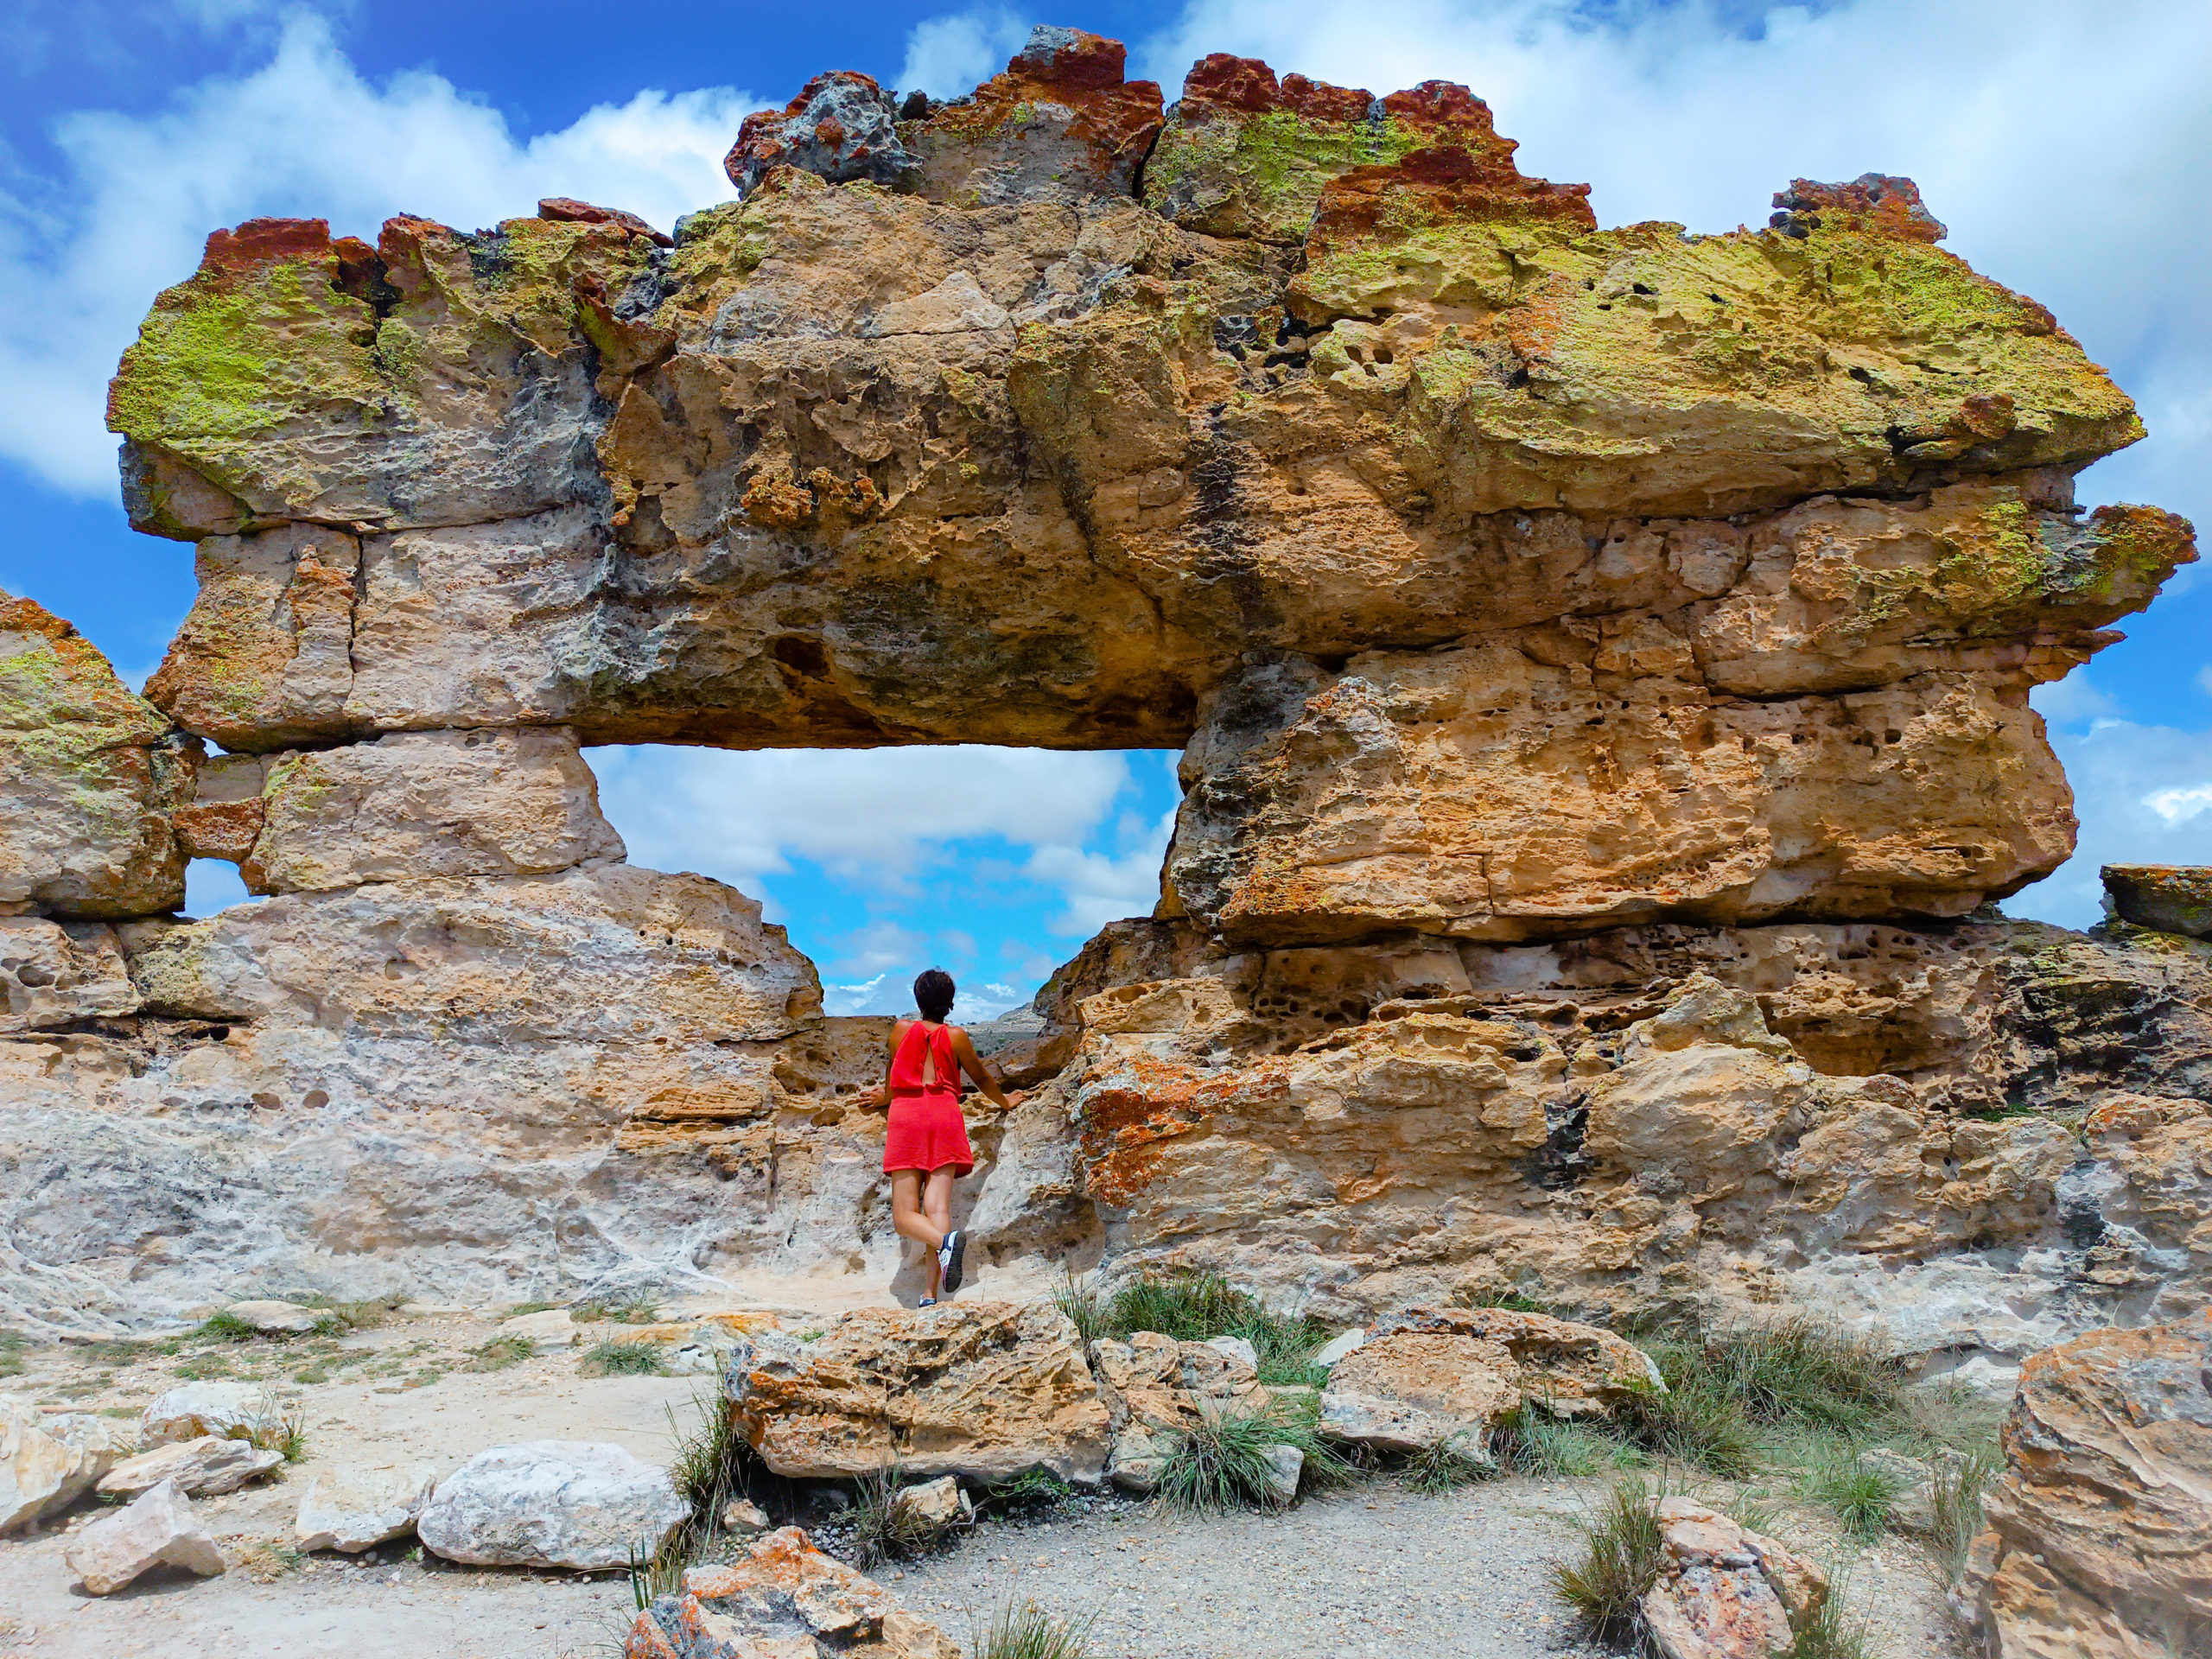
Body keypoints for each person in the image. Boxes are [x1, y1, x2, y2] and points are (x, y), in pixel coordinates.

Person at [873, 968, 1023, 1306]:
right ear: (950, 1004)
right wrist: (1006, 1101)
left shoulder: (899, 1030)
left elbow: (890, 1076)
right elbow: (981, 1078)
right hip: (945, 1115)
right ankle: (930, 1294)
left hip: (907, 1116)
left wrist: (881, 1099)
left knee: (904, 1216)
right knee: (937, 1207)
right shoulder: (956, 1037)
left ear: (917, 999)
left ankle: (945, 1244)